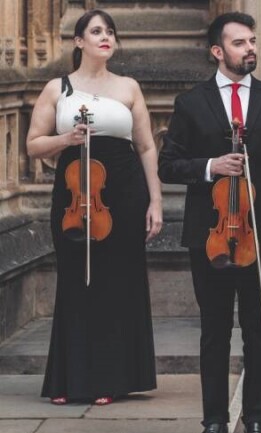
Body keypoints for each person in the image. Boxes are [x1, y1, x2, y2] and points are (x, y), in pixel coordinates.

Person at [158, 12, 261, 433]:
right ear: (217, 51)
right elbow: (169, 164)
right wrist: (211, 167)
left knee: (259, 328)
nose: (251, 49)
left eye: (253, 41)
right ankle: (213, 421)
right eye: (240, 43)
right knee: (214, 329)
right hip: (211, 235)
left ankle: (256, 419)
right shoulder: (191, 103)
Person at [26, 9, 161, 407]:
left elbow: (147, 145)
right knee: (75, 279)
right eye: (97, 31)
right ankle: (70, 377)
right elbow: (34, 143)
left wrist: (155, 200)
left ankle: (111, 377)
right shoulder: (57, 88)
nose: (106, 38)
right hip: (73, 195)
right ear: (79, 41)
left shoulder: (129, 87)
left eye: (110, 32)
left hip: (124, 191)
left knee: (117, 281)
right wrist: (66, 138)